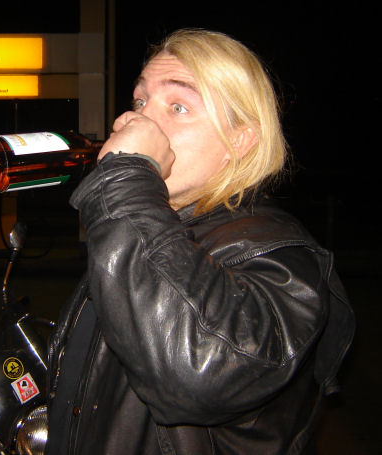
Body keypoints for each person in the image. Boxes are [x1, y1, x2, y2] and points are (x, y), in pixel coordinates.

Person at [45, 28, 355, 454]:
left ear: (240, 141)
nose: (132, 122)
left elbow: (197, 373)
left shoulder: (279, 258)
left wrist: (128, 178)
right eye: (140, 101)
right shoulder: (150, 228)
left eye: (178, 106)